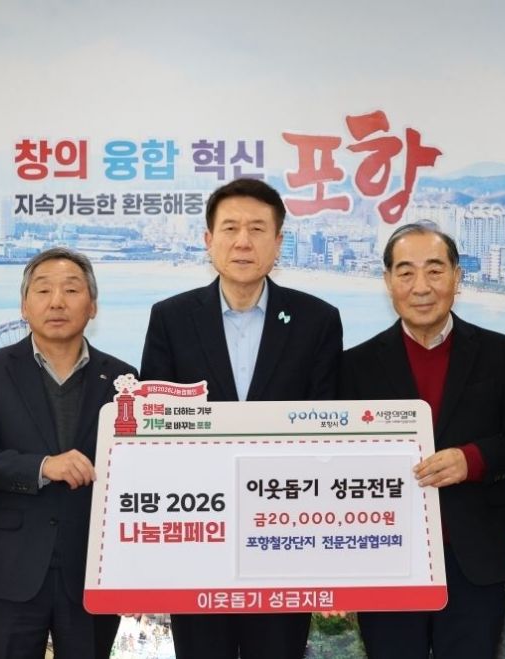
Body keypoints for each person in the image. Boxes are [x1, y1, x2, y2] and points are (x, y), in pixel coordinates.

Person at [140, 177, 343, 659]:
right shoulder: (171, 318)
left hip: (285, 534)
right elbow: (153, 431)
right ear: (208, 240)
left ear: (278, 241)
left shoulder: (317, 320)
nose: (243, 242)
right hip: (198, 533)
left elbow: (330, 428)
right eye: (230, 228)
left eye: (257, 229)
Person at [338, 223, 505, 658]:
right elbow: (337, 462)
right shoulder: (354, 366)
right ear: (388, 281)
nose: (421, 287)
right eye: (406, 272)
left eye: (435, 270)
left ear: (457, 277)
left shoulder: (501, 353)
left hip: (474, 558)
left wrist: (473, 460)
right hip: (387, 557)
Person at [0, 247, 136, 659]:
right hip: (10, 570)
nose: (57, 302)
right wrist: (42, 467)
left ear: (92, 306)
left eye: (71, 290)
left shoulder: (123, 379)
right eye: (43, 290)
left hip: (92, 569)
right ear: (24, 306)